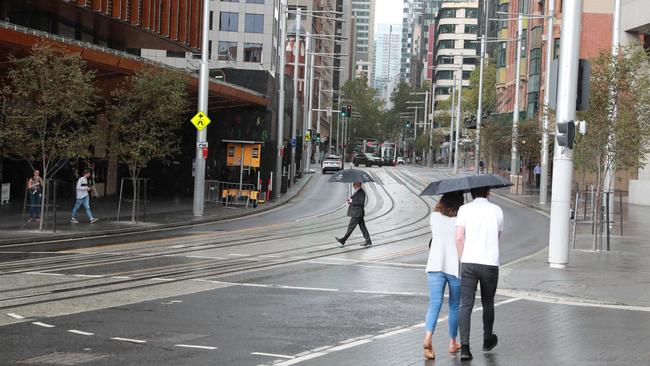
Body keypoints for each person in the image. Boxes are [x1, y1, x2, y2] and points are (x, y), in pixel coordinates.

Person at [455, 186, 504, 361]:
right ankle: (487, 339)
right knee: (488, 302)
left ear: (471, 193)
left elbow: (459, 237)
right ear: (488, 192)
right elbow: (497, 236)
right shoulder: (497, 211)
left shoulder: (464, 210)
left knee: (466, 305)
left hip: (469, 262)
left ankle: (465, 348)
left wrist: (463, 258)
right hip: (490, 263)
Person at [422, 191, 464, 360]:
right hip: (454, 267)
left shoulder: (434, 217)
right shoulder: (460, 220)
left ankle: (427, 337)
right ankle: (453, 342)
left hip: (434, 265)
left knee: (434, 303)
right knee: (454, 305)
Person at [335, 181, 371, 247]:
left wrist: (352, 201)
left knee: (351, 227)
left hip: (357, 213)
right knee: (363, 227)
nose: (353, 185)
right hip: (357, 213)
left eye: (354, 184)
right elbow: (354, 199)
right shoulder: (357, 192)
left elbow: (361, 202)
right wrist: (349, 200)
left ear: (357, 184)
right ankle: (368, 240)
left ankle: (343, 240)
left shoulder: (361, 192)